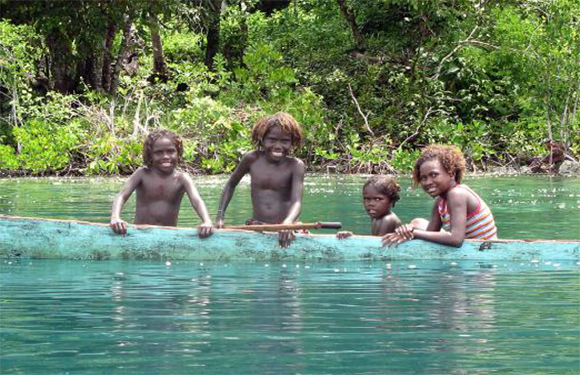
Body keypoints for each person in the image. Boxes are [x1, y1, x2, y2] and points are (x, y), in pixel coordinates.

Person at [215, 112, 305, 248]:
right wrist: (220, 216)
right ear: (262, 139)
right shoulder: (251, 159)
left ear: (292, 142)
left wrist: (288, 223)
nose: (278, 146)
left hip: (287, 227)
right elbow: (231, 185)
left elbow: (296, 201)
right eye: (272, 140)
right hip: (258, 226)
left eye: (285, 141)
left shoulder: (295, 165)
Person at [382, 144, 497, 248]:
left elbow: (456, 240)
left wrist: (415, 233)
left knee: (416, 227)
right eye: (423, 178)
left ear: (451, 173)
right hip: (466, 247)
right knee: (417, 223)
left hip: (483, 250)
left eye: (434, 175)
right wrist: (407, 230)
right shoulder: (440, 201)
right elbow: (430, 233)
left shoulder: (457, 194)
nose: (428, 182)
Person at [110, 129, 213, 237]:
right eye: (159, 152)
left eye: (170, 151)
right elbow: (122, 196)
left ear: (178, 153)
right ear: (150, 155)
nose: (165, 156)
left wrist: (207, 221)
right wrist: (115, 217)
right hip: (140, 234)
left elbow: (197, 200)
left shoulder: (182, 179)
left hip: (168, 236)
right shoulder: (142, 174)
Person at [337, 175, 402, 239]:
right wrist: (351, 237)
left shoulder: (388, 220)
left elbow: (377, 247)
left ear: (391, 201)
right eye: (367, 199)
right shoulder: (377, 217)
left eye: (377, 199)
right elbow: (373, 242)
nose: (371, 204)